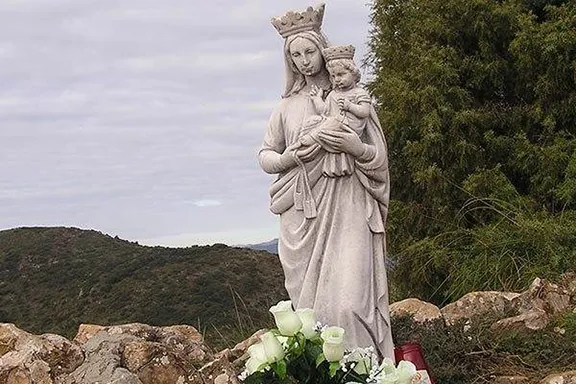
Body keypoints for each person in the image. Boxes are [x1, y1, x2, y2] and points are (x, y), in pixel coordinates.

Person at [260, 4, 394, 360]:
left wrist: (354, 147)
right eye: (295, 56)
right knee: (313, 317)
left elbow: (378, 159)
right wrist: (291, 157)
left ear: (322, 48)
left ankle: (368, 373)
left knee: (349, 303)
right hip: (303, 214)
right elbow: (266, 156)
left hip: (350, 203)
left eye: (309, 51)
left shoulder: (354, 97)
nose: (304, 61)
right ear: (288, 61)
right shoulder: (285, 107)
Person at [299, 44, 373, 177]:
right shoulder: (333, 94)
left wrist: (349, 106)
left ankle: (311, 139)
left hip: (350, 127)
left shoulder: (359, 93)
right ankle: (309, 140)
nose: (337, 79)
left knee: (331, 123)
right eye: (333, 76)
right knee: (314, 120)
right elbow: (325, 111)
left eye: (341, 74)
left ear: (353, 73)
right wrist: (317, 100)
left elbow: (364, 112)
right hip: (335, 123)